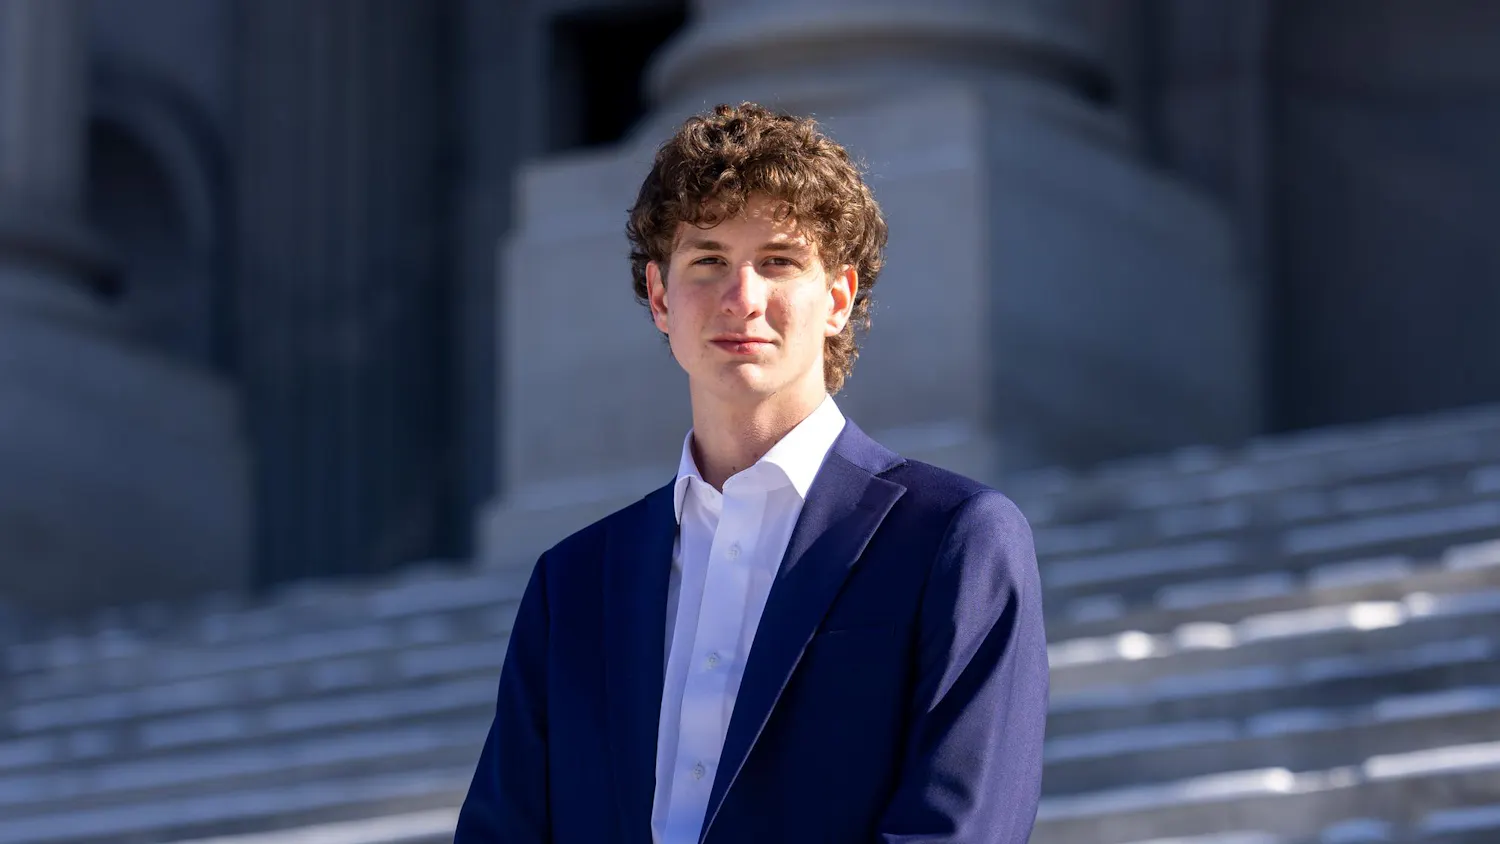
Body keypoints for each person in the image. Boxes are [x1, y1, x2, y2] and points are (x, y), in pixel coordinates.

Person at [455, 102, 1048, 844]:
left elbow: (957, 832)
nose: (743, 298)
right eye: (708, 261)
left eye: (778, 261)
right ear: (662, 299)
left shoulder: (955, 541)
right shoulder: (571, 583)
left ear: (836, 298)